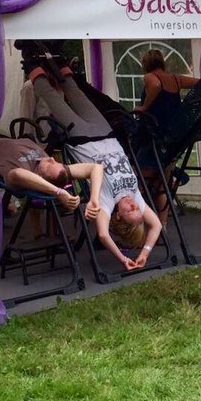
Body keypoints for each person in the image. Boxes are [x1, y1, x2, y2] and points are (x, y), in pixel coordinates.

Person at [23, 48, 163, 271]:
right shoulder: (136, 196)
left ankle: (31, 62)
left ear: (118, 216)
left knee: (52, 98)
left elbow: (103, 234)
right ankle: (58, 59)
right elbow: (155, 225)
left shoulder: (106, 204)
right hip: (106, 133)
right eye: (137, 208)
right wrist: (145, 252)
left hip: (81, 139)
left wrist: (123, 259)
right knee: (78, 94)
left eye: (130, 210)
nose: (133, 204)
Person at [132, 49, 199, 227]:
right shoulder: (177, 79)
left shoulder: (149, 77)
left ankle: (136, 224)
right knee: (163, 183)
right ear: (162, 62)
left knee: (138, 178)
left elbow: (155, 86)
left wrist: (144, 107)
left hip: (153, 138)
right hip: (172, 139)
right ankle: (162, 226)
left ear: (145, 64)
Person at [0, 135, 102, 225]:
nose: (52, 159)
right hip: (4, 137)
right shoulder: (54, 168)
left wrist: (58, 192)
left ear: (42, 177)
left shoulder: (22, 173)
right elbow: (96, 167)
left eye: (49, 165)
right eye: (57, 162)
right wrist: (94, 200)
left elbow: (17, 174)